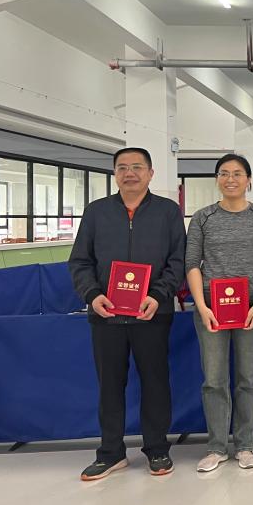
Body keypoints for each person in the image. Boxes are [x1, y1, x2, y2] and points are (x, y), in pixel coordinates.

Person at [69, 147, 186, 481]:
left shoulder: (167, 212)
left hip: (153, 313)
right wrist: (92, 295)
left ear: (150, 173)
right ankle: (110, 452)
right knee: (109, 385)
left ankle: (157, 448)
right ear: (115, 174)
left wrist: (158, 295)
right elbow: (80, 261)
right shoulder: (96, 212)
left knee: (155, 382)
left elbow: (178, 260)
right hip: (106, 315)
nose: (129, 173)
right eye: (122, 167)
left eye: (137, 167)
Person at [185, 154, 253, 472]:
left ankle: (245, 445)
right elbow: (192, 264)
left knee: (248, 378)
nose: (231, 179)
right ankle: (216, 447)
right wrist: (202, 306)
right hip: (211, 309)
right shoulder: (203, 217)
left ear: (249, 180)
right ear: (217, 180)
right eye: (224, 173)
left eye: (238, 173)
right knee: (213, 379)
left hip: (251, 307)